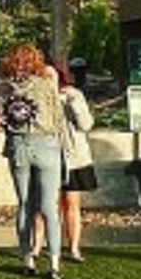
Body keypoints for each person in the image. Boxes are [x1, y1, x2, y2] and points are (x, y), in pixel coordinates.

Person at [0, 43, 65, 279]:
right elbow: (57, 117)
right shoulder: (46, 84)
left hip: (18, 145)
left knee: (25, 204)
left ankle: (28, 258)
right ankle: (54, 262)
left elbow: (0, 119)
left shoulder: (4, 88)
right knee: (48, 207)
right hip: (46, 145)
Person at [55, 59, 97, 262]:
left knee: (72, 201)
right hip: (50, 156)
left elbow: (86, 124)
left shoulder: (75, 95)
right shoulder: (41, 95)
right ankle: (42, 247)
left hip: (74, 156)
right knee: (48, 204)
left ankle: (73, 248)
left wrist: (74, 103)